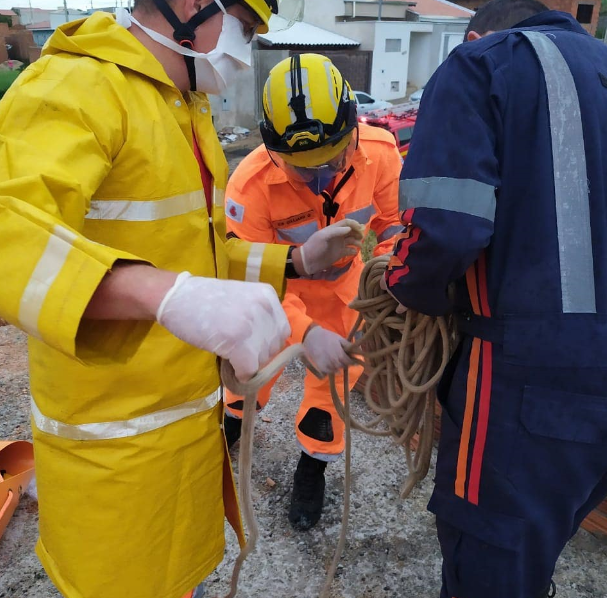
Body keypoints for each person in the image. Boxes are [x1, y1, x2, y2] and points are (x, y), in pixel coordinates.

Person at [0, 1, 363, 596]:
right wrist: (160, 292)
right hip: (114, 455)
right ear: (194, 7)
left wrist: (295, 260)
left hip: (181, 437)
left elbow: (197, 255)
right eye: (246, 27)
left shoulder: (179, 107)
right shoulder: (73, 87)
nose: (245, 51)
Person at [384, 1, 607, 597]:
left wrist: (404, 286)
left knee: (492, 568)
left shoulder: (480, 65)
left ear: (477, 36)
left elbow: (446, 229)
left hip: (525, 389)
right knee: (550, 538)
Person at [223, 53, 403, 531]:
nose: (320, 176)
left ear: (352, 130)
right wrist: (302, 333)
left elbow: (391, 229)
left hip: (347, 299)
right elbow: (249, 278)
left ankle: (312, 468)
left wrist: (390, 278)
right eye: (305, 170)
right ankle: (230, 429)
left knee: (330, 398)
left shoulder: (382, 156)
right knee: (249, 372)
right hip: (277, 300)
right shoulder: (250, 187)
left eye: (332, 161)